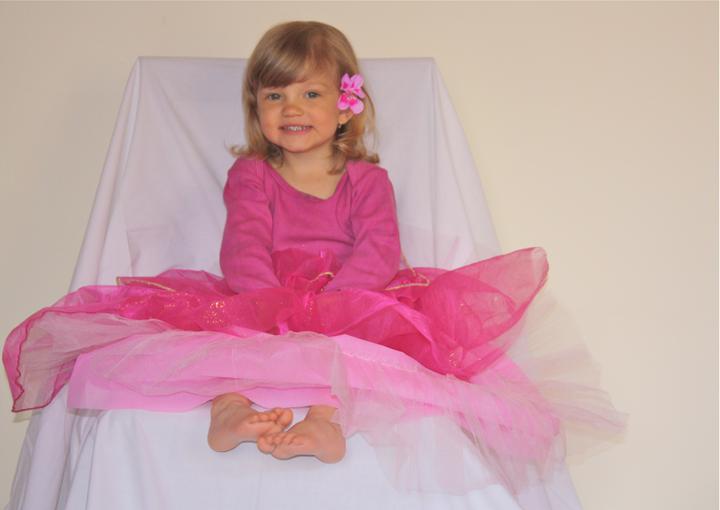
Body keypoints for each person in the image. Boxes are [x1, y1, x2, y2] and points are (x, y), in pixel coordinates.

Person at [3, 20, 622, 494]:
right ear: (256, 106)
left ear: (346, 104)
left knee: (362, 358)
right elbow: (243, 245)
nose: (292, 108)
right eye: (275, 95)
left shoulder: (367, 181)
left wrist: (337, 305)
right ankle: (230, 411)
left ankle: (327, 420)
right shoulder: (251, 175)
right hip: (259, 294)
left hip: (355, 298)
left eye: (310, 93)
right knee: (224, 346)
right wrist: (268, 301)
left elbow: (379, 248)